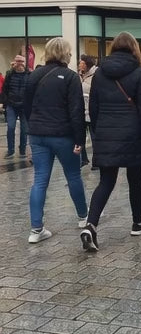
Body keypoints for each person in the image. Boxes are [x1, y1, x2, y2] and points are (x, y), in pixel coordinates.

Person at [80, 32, 141, 252]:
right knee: (135, 180)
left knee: (106, 181)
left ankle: (90, 225)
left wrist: (99, 130)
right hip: (133, 133)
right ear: (134, 48)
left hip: (106, 132)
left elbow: (93, 107)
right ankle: (137, 223)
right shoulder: (139, 73)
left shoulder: (99, 73)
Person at [23, 38, 89, 243]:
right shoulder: (70, 77)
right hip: (63, 134)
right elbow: (76, 110)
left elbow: (27, 105)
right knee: (73, 175)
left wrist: (34, 124)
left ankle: (36, 229)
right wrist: (80, 139)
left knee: (40, 180)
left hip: (38, 133)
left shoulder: (34, 75)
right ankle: (83, 216)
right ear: (65, 54)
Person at [2, 54, 30, 158]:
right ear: (14, 62)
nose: (19, 64)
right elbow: (4, 89)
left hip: (24, 106)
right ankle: (10, 150)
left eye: (21, 61)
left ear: (24, 63)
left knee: (24, 129)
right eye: (18, 61)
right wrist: (5, 102)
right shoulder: (9, 74)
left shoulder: (29, 74)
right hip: (11, 105)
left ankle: (22, 150)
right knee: (10, 127)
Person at [78, 55, 98, 167]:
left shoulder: (96, 76)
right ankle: (83, 159)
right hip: (81, 111)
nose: (79, 65)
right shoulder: (79, 75)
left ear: (87, 64)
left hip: (92, 111)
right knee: (80, 136)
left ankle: (96, 161)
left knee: (94, 137)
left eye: (81, 63)